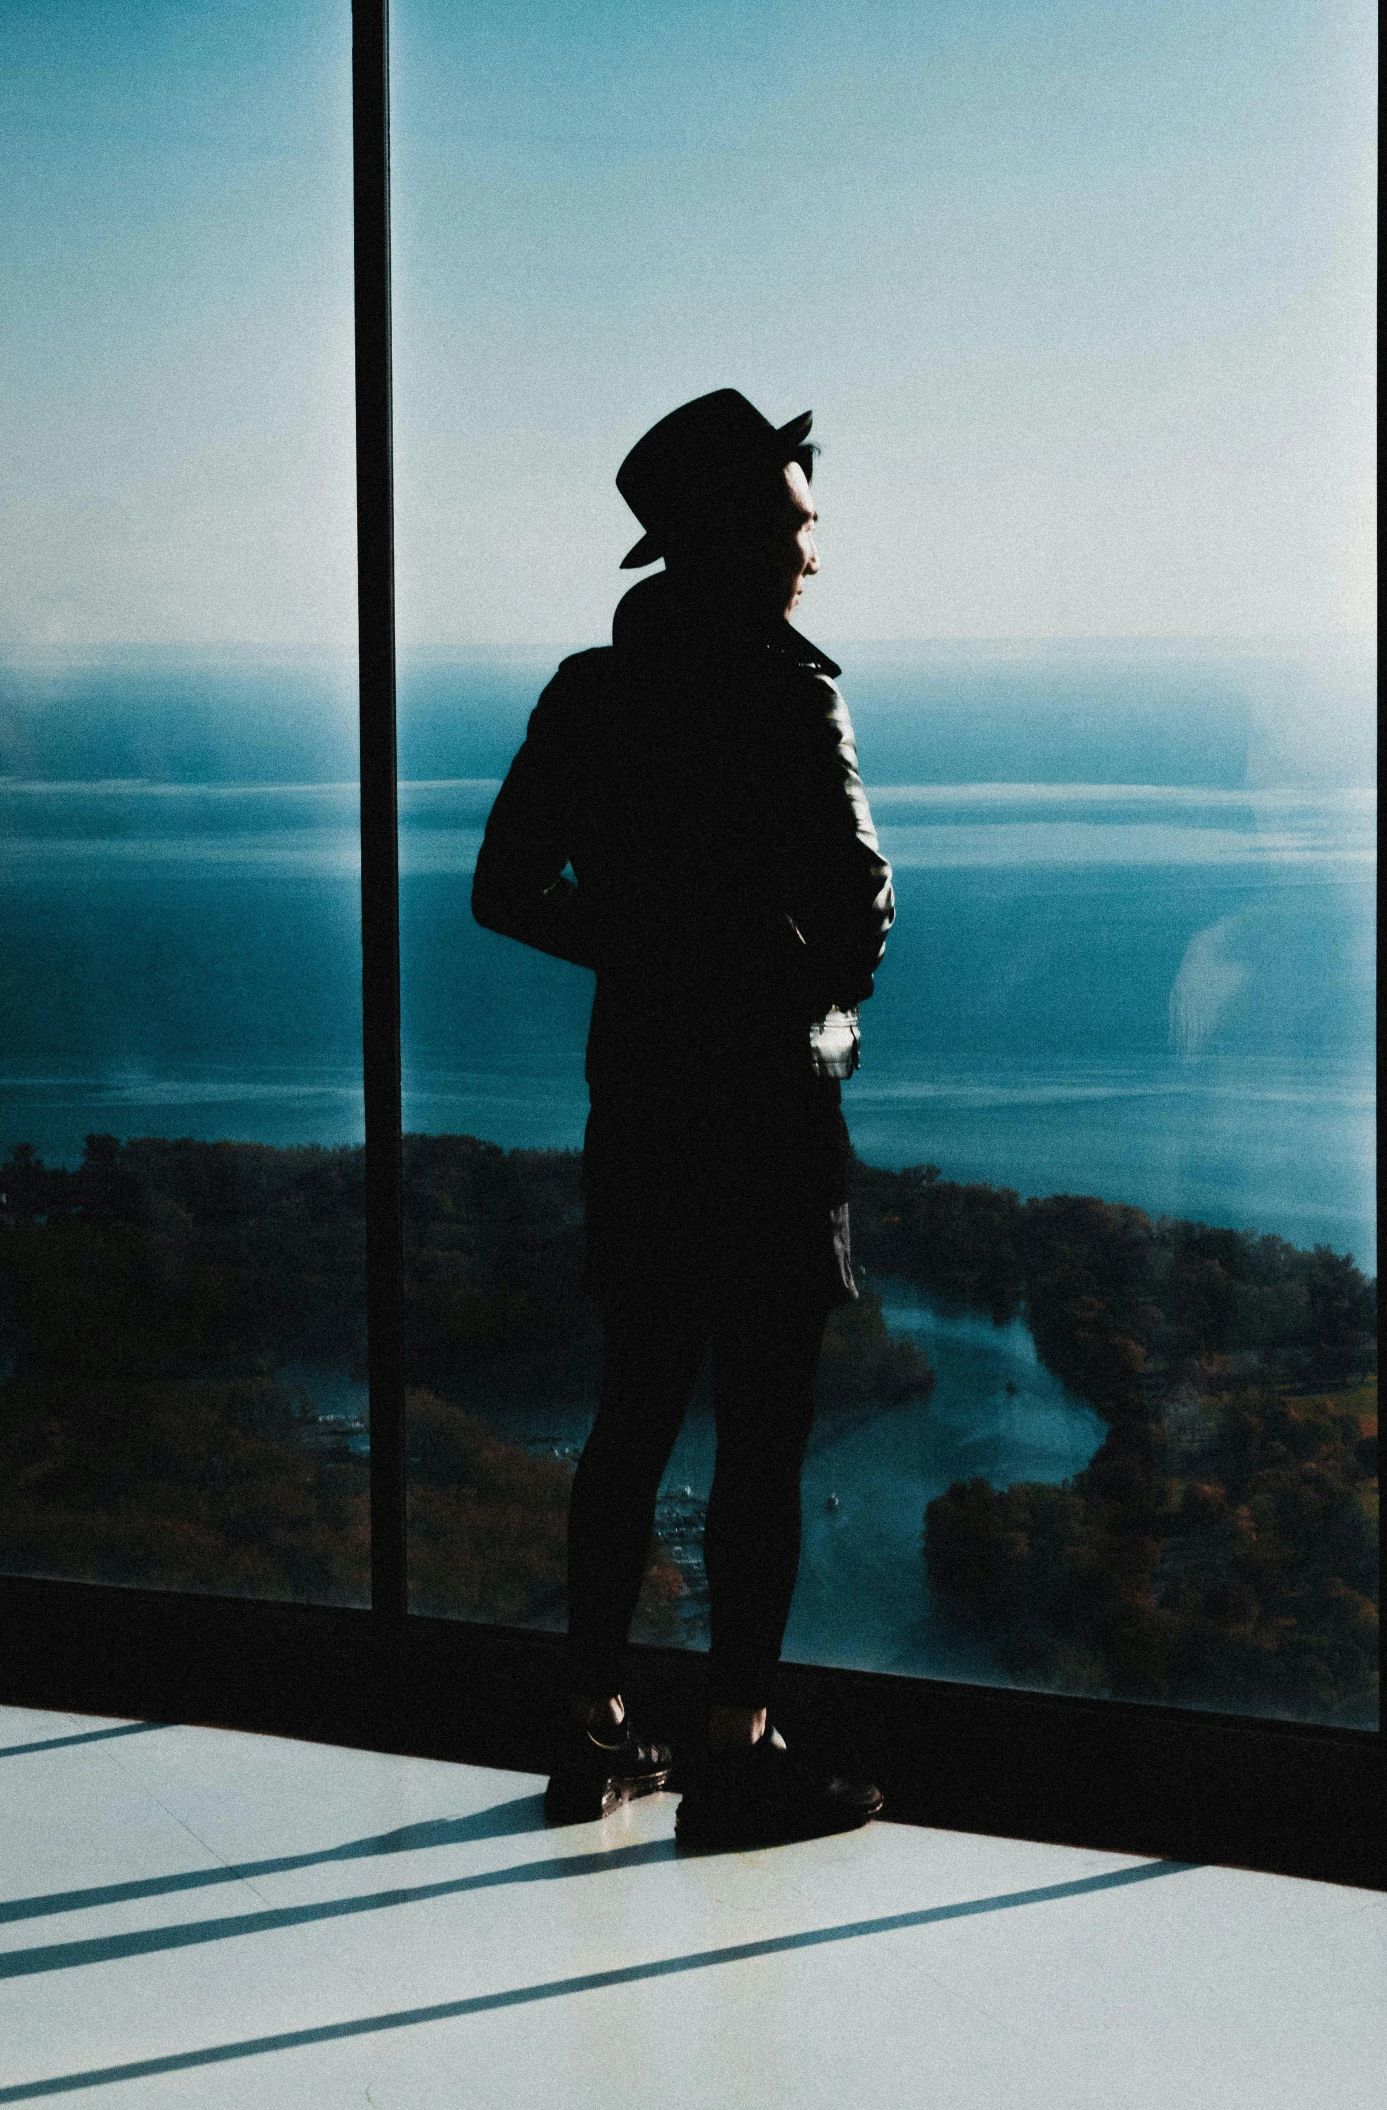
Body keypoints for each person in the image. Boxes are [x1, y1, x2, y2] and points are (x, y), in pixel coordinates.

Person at [471, 388, 894, 1849]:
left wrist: (647, 957)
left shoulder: (591, 692)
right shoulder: (790, 692)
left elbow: (504, 891)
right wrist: (804, 1004)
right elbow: (857, 911)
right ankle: (735, 1751)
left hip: (642, 1103)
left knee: (632, 1417)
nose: (808, 553)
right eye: (788, 521)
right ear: (722, 532)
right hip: (769, 1111)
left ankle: (588, 1735)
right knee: (762, 1436)